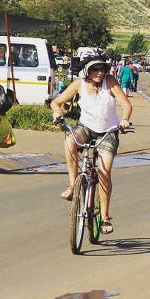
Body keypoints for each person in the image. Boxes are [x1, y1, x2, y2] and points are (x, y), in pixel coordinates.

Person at [50, 50, 132, 234]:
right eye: (95, 69)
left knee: (104, 172)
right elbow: (56, 102)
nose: (99, 72)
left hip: (108, 132)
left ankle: (104, 217)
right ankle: (72, 185)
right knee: (70, 141)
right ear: (87, 70)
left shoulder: (110, 82)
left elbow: (126, 104)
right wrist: (57, 112)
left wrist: (125, 119)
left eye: (102, 68)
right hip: (86, 129)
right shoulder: (79, 84)